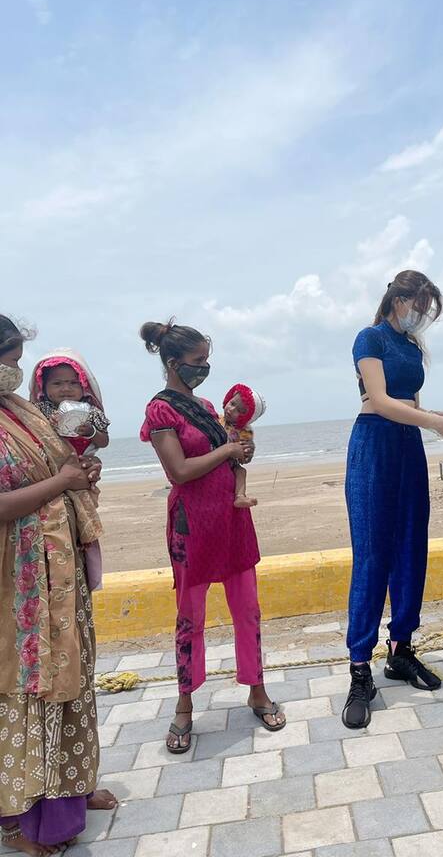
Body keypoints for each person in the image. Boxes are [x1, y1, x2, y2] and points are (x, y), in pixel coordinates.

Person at [139, 320, 285, 754]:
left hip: (232, 521)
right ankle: (184, 704)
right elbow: (179, 471)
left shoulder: (205, 405)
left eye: (207, 359)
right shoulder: (160, 411)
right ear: (173, 363)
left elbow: (229, 457)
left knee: (248, 611)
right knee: (190, 618)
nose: (204, 367)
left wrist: (241, 452)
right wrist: (226, 450)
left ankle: (256, 690)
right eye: (197, 360)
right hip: (192, 526)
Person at [0, 315, 116, 856]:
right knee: (29, 686)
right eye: (9, 360)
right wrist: (61, 482)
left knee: (72, 673)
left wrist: (79, 475)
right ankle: (18, 819)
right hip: (18, 582)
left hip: (59, 573)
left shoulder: (21, 411)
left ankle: (72, 787)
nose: (14, 370)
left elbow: (63, 463)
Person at [342, 271, 443, 729]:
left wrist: (432, 416)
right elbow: (379, 400)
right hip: (374, 444)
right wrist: (433, 422)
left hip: (408, 446)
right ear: (400, 299)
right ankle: (360, 669)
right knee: (373, 555)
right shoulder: (369, 338)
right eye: (421, 305)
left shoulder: (411, 347)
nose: (423, 315)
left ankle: (401, 650)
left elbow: (409, 402)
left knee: (412, 548)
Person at [29, 350, 110, 456]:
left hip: (83, 462)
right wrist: (48, 425)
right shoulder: (38, 411)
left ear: (84, 386)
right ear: (43, 388)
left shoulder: (91, 412)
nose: (66, 389)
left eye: (73, 383)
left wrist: (91, 432)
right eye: (57, 383)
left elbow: (104, 442)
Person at [222, 384, 266, 508]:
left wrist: (246, 453)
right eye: (232, 403)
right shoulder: (216, 419)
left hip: (230, 463)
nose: (231, 409)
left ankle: (240, 496)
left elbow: (244, 457)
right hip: (213, 456)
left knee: (241, 471)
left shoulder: (244, 431)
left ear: (247, 417)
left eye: (239, 411)